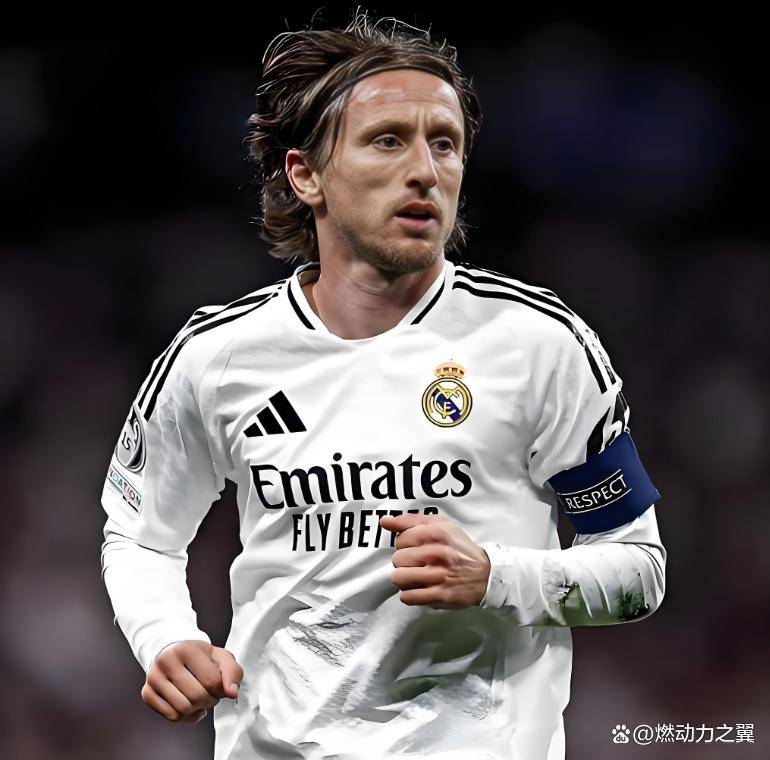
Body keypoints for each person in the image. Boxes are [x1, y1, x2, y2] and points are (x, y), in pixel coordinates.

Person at [99, 10, 666, 760]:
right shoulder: (219, 355)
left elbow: (638, 569)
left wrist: (497, 576)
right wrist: (165, 636)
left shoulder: (539, 345)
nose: (426, 169)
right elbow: (140, 536)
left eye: (445, 143)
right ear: (306, 175)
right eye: (388, 140)